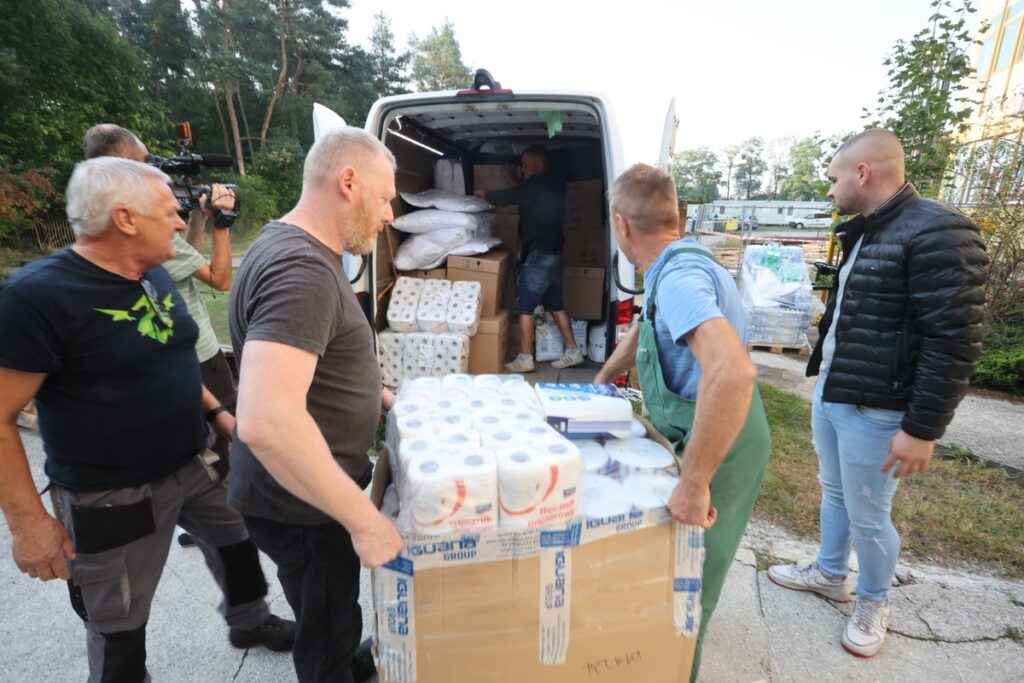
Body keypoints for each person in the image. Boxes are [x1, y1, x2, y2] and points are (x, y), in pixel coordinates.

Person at [0, 157, 295, 683]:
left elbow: (173, 355)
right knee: (118, 618)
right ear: (125, 219)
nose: (183, 221)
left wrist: (221, 416)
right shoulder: (39, 296)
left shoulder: (150, 269)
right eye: (171, 211)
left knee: (239, 549)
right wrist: (29, 527)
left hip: (195, 461)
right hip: (113, 497)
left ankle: (249, 623)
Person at [767, 129, 989, 658]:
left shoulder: (939, 231)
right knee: (836, 492)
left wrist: (921, 429)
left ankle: (873, 599)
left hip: (881, 410)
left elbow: (953, 340)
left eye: (832, 178)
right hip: (839, 392)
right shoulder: (865, 230)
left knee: (869, 512)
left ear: (862, 173)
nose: (829, 190)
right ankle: (827, 572)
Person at [229, 127, 403, 683]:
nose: (389, 216)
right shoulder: (301, 270)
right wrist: (365, 521)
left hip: (297, 496)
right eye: (385, 198)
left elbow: (312, 357)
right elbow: (268, 420)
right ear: (348, 183)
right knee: (325, 632)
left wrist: (377, 394)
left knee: (329, 610)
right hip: (304, 503)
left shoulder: (288, 244)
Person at [593, 164, 770, 682]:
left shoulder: (680, 278)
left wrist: (694, 483)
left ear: (622, 225)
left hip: (722, 443)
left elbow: (733, 373)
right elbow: (648, 328)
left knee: (685, 591)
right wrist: (605, 378)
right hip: (699, 431)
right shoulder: (673, 263)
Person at [84, 123, 238, 546]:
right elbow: (221, 280)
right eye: (147, 163)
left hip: (173, 359)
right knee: (218, 441)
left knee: (196, 434)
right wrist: (223, 223)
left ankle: (204, 517)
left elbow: (183, 250)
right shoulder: (143, 242)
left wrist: (198, 221)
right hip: (198, 354)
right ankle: (224, 513)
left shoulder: (121, 235)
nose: (157, 172)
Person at [475, 146, 584, 372]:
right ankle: (573, 351)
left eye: (525, 164)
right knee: (556, 305)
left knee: (524, 308)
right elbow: (525, 193)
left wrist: (485, 193)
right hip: (555, 255)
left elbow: (509, 197)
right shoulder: (555, 185)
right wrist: (518, 178)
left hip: (539, 257)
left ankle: (525, 357)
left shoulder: (532, 187)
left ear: (539, 165)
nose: (522, 168)